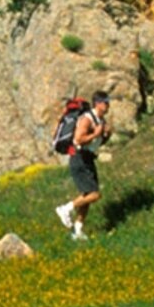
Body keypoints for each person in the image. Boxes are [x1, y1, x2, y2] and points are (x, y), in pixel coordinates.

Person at [55, 92, 111, 240]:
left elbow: (96, 143)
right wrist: (95, 134)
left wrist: (105, 136)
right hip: (79, 158)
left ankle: (78, 230)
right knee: (95, 194)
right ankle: (65, 208)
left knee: (87, 196)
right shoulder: (87, 119)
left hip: (88, 158)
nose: (108, 105)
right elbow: (78, 139)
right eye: (105, 102)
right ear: (97, 103)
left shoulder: (101, 120)